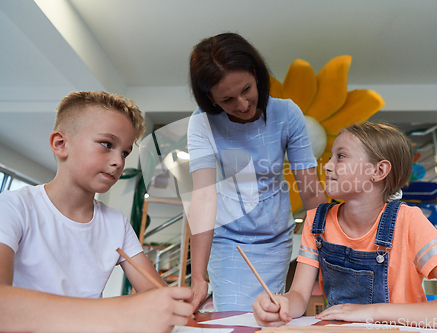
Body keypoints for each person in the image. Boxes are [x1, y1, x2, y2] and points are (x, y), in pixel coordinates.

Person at [253, 122, 437, 329]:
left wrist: (371, 311)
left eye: (340, 156)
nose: (327, 166)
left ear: (378, 170)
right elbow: (298, 298)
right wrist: (280, 303)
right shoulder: (316, 220)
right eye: (330, 157)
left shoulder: (409, 221)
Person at [0, 91, 193, 333]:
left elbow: (156, 292)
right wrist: (120, 311)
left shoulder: (116, 223)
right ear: (61, 144)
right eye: (107, 144)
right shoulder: (13, 207)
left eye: (124, 152)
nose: (119, 162)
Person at [187, 32, 328, 312]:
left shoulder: (287, 114)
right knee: (234, 314)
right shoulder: (201, 123)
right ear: (210, 99)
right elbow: (203, 199)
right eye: (227, 99)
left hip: (274, 237)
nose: (242, 105)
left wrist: (329, 250)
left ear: (256, 73)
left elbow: (311, 191)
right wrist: (198, 276)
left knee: (268, 313)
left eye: (246, 89)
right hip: (227, 237)